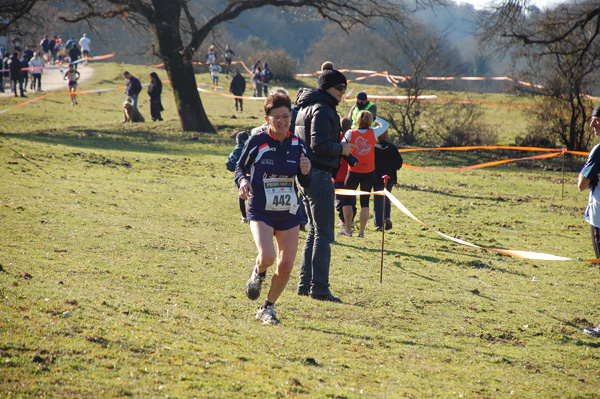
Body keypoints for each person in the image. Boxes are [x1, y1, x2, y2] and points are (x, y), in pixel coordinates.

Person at [235, 92, 311, 324]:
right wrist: (243, 181)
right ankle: (258, 272)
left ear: (291, 116)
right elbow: (240, 168)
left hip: (288, 212)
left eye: (285, 116)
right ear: (267, 118)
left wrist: (306, 172)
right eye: (276, 117)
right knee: (267, 256)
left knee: (286, 265)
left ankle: (267, 308)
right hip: (260, 209)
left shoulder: (298, 144)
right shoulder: (257, 141)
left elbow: (305, 183)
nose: (282, 121)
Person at [294, 67, 354, 303]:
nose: (342, 92)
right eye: (339, 88)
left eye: (345, 88)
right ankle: (319, 288)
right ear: (325, 87)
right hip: (317, 175)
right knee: (325, 234)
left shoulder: (307, 106)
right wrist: (342, 149)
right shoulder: (322, 108)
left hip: (306, 174)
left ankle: (304, 284)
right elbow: (319, 145)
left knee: (313, 231)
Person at [579, 103, 600, 337]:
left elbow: (581, 184)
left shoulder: (599, 150)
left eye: (597, 119)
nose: (592, 124)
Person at [340, 111, 378, 238]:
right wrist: (375, 119)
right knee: (365, 202)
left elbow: (342, 145)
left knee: (347, 200)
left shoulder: (351, 132)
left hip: (353, 171)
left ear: (357, 120)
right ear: (370, 120)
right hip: (369, 172)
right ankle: (361, 232)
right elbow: (386, 125)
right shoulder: (374, 132)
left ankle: (348, 230)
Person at [373, 129, 403, 232]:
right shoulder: (393, 148)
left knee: (378, 200)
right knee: (387, 197)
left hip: (377, 176)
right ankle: (387, 217)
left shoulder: (373, 147)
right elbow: (399, 163)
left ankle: (379, 224)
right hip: (390, 177)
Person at [335, 117, 356, 228]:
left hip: (338, 175)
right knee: (351, 198)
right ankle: (351, 220)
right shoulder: (354, 138)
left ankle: (343, 220)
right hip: (351, 174)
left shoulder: (338, 138)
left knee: (340, 200)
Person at [226, 131, 250, 223]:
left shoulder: (234, 152)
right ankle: (253, 214)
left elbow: (229, 165)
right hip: (251, 176)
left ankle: (244, 216)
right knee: (253, 195)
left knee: (241, 196)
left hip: (240, 177)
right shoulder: (250, 150)